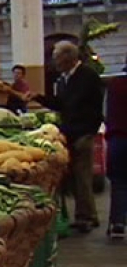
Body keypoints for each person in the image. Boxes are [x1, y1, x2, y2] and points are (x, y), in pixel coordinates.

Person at [33, 41, 106, 233]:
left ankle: (87, 217)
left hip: (83, 133)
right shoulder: (65, 79)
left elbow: (90, 106)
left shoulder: (87, 76)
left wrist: (87, 130)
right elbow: (62, 104)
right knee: (76, 177)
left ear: (68, 58)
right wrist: (38, 98)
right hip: (71, 133)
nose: (55, 62)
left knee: (83, 177)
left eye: (57, 58)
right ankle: (85, 215)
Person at [105, 54, 127, 240]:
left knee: (119, 183)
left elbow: (107, 112)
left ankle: (118, 224)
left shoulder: (115, 85)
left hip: (118, 140)